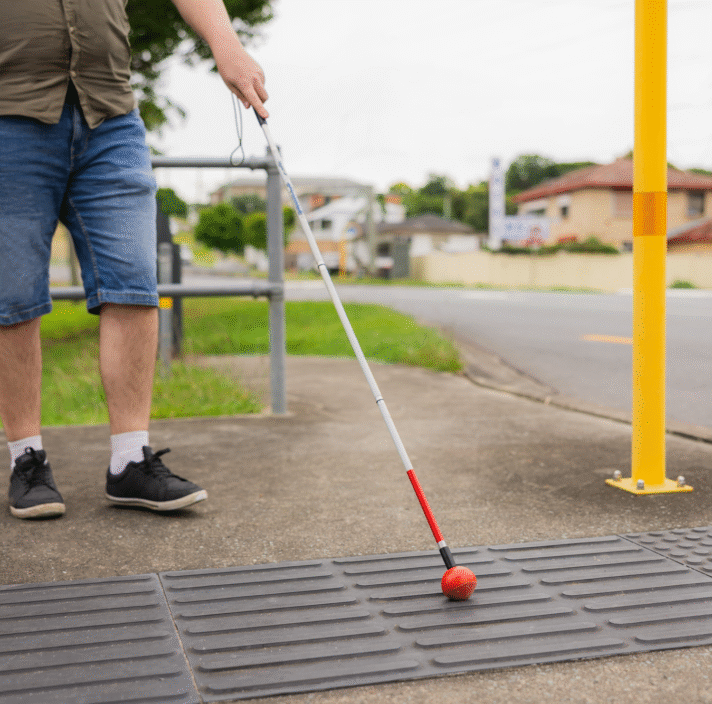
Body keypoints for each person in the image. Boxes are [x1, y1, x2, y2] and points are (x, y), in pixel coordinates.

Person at [0, 0, 268, 518]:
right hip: (9, 111)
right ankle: (26, 458)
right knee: (12, 294)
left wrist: (225, 44)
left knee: (134, 280)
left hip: (111, 114)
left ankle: (129, 462)